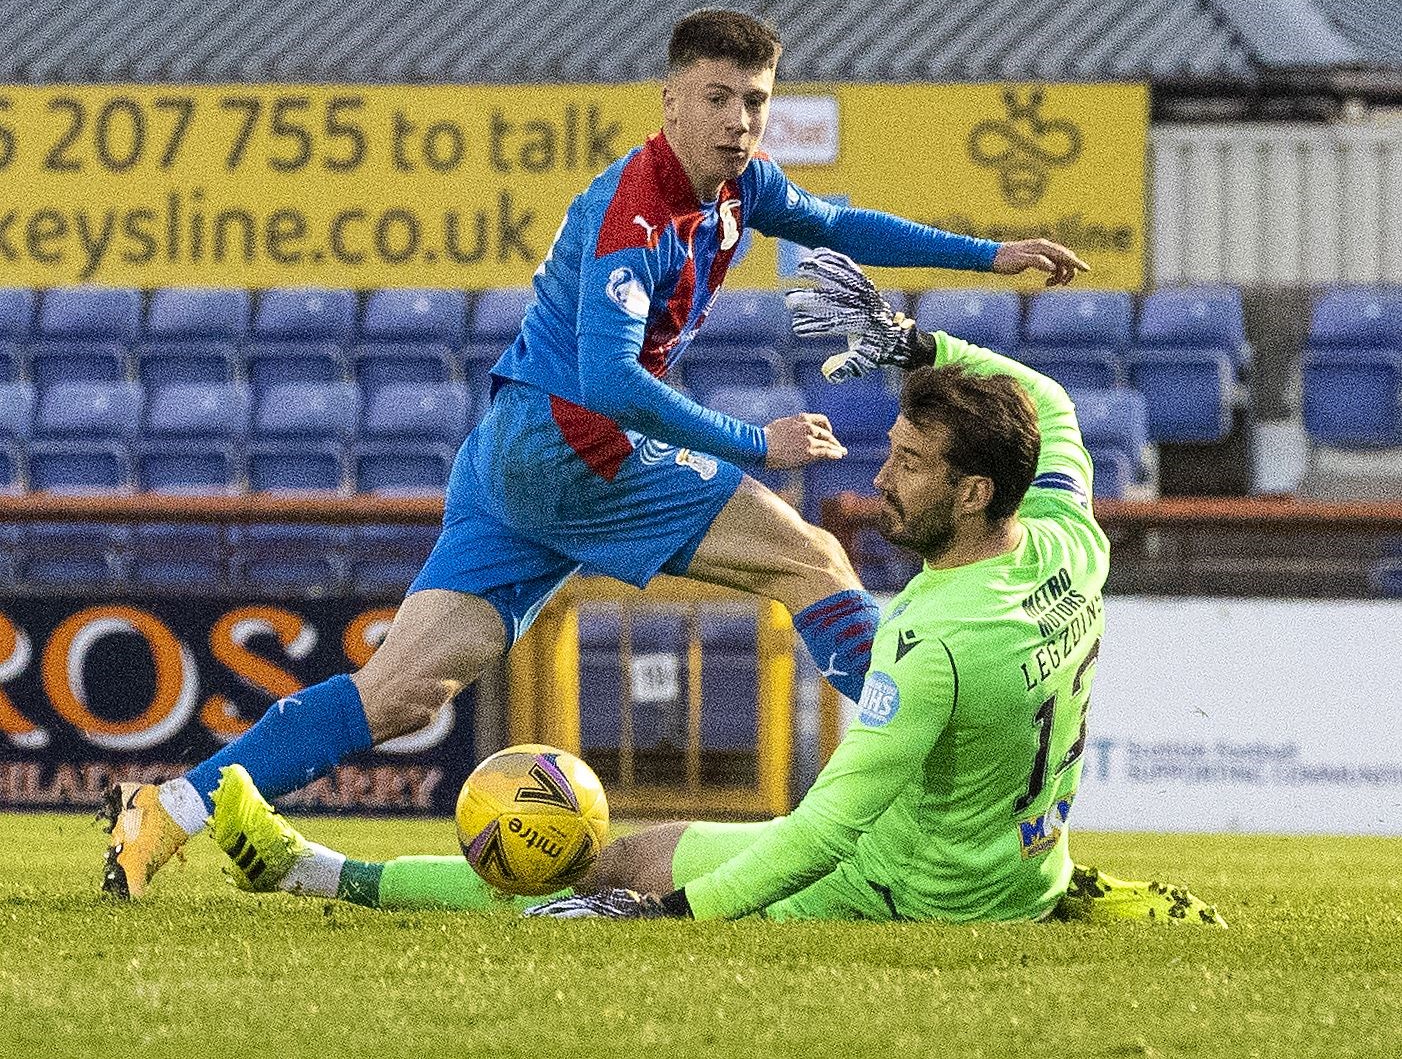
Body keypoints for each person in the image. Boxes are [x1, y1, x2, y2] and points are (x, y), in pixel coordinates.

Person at [101, 8, 1089, 899]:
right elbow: (610, 384)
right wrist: (760, 442)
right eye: (716, 98)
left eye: (753, 101)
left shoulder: (741, 187)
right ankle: (926, 765)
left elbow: (834, 224)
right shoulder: (636, 212)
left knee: (400, 693)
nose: (737, 120)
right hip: (575, 449)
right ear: (669, 100)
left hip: (512, 459)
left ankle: (165, 814)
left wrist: (989, 253)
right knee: (812, 560)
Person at [204, 255, 1225, 927]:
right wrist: (916, 346)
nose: (877, 477)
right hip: (1019, 869)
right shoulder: (1065, 537)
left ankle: (311, 870)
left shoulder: (930, 638)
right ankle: (1061, 892)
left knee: (609, 862)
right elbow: (1043, 400)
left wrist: (666, 914)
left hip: (913, 891)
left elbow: (818, 836)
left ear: (969, 490)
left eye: (908, 464)